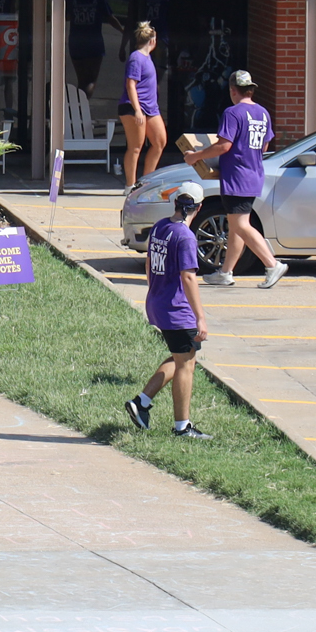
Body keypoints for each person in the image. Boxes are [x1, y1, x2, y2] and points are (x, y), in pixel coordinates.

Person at [183, 71, 287, 288]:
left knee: (240, 225)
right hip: (254, 174)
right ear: (251, 88)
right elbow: (265, 145)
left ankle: (272, 263)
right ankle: (226, 272)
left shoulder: (232, 113)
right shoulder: (263, 113)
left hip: (237, 177)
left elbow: (224, 145)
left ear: (232, 90)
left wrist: (195, 156)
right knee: (237, 225)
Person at [125, 180, 212, 439]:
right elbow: (188, 278)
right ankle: (182, 427)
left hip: (158, 301)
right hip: (177, 309)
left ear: (175, 202)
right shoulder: (186, 237)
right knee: (187, 363)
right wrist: (200, 317)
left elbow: (150, 263)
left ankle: (141, 402)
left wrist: (155, 292)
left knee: (181, 355)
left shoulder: (161, 226)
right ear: (199, 206)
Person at [66, 0, 123, 97]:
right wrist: (122, 30)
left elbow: (66, 16)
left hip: (76, 42)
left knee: (81, 80)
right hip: (94, 43)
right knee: (91, 80)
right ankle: (82, 105)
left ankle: (78, 105)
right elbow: (111, 18)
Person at [120, 22, 164, 189]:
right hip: (134, 107)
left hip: (151, 107)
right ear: (152, 41)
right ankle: (130, 186)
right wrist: (137, 110)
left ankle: (145, 183)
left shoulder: (147, 58)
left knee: (159, 142)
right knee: (136, 147)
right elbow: (130, 84)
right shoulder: (136, 57)